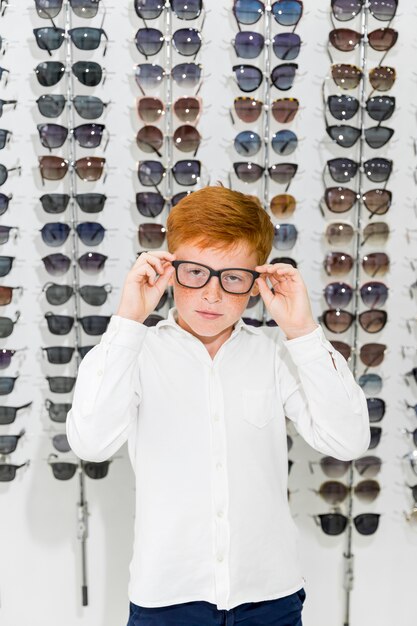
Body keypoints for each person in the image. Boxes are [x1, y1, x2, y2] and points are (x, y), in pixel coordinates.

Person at [66, 185, 370, 626]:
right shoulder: (134, 351)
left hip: (270, 596)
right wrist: (127, 321)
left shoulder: (275, 354)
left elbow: (347, 440)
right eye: (195, 272)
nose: (212, 295)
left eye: (232, 277)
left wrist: (303, 331)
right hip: (167, 596)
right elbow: (91, 443)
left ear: (256, 282)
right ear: (169, 269)